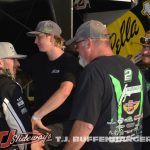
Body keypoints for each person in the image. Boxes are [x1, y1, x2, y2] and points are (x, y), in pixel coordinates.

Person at [63, 20, 150, 150]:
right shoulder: (134, 68)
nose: (77, 51)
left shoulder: (93, 71)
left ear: (88, 43)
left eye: (77, 46)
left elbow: (85, 125)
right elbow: (143, 114)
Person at [21, 20, 82, 148]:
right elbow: (16, 67)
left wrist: (37, 115)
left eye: (39, 37)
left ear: (51, 37)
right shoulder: (38, 60)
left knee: (34, 143)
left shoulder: (69, 62)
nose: (35, 41)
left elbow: (65, 90)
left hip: (64, 124)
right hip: (41, 123)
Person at [0, 42, 32, 150]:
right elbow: (20, 128)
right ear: (0, 63)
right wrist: (28, 146)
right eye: (13, 59)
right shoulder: (7, 87)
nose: (18, 64)